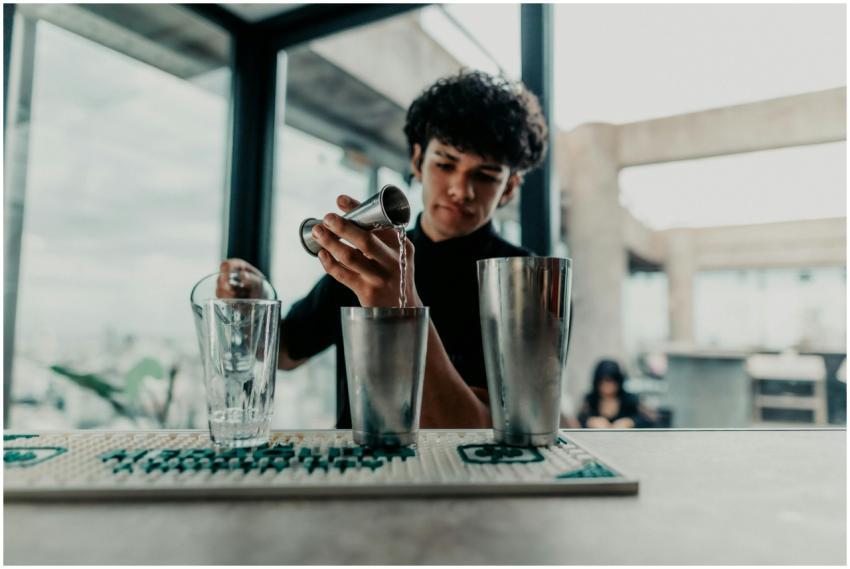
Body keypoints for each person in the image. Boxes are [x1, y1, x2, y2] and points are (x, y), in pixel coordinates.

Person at [218, 70, 548, 429]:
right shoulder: (372, 257)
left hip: (458, 482)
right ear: (418, 160)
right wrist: (251, 307)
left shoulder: (526, 278)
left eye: (485, 175)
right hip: (356, 476)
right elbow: (284, 352)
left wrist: (399, 305)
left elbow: (480, 429)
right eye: (445, 163)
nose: (460, 190)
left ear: (510, 188)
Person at [577, 359, 656, 429]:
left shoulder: (631, 399)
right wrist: (590, 422)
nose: (607, 387)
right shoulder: (590, 399)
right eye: (603, 382)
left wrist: (630, 422)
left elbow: (650, 419)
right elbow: (578, 421)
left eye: (611, 382)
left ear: (619, 382)